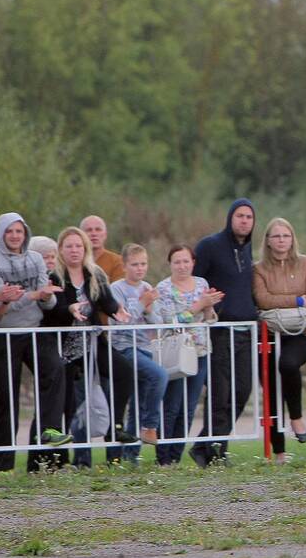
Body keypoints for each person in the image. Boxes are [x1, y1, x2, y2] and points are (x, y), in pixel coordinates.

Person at [43, 226, 131, 468]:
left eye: (78, 246)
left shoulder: (95, 274)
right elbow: (52, 311)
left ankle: (116, 428)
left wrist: (117, 311)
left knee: (124, 372)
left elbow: (107, 301)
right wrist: (69, 308)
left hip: (92, 343)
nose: (74, 250)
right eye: (69, 246)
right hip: (64, 348)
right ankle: (55, 461)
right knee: (67, 403)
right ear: (61, 250)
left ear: (85, 249)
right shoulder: (54, 277)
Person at [0, 213, 70, 471]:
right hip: (4, 335)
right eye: (10, 232)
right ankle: (2, 464)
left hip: (34, 330)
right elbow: (3, 307)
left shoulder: (36, 258)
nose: (15, 236)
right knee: (7, 398)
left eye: (19, 231)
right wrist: (30, 295)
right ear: (2, 234)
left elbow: (46, 301)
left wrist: (45, 296)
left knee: (55, 369)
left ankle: (48, 433)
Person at [189, 199, 256, 467]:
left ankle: (205, 444)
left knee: (242, 392)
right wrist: (205, 303)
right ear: (230, 218)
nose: (244, 221)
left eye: (249, 217)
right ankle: (215, 451)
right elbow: (194, 281)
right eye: (240, 216)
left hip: (245, 332)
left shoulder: (249, 250)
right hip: (219, 330)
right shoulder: (210, 246)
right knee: (220, 394)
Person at [253, 217, 306, 461]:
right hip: (269, 334)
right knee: (270, 389)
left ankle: (296, 417)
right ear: (268, 241)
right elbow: (263, 300)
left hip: (298, 332)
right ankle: (279, 451)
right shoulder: (259, 269)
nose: (281, 240)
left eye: (286, 235)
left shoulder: (305, 263)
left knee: (288, 365)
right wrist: (297, 300)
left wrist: (284, 299)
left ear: (292, 239)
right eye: (276, 236)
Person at [154, 245, 222, 466]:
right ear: (170, 264)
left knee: (189, 407)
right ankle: (163, 456)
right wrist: (197, 306)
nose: (182, 266)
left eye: (186, 261)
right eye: (177, 262)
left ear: (193, 262)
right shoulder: (163, 288)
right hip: (175, 351)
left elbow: (209, 318)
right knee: (171, 406)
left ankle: (176, 455)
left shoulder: (201, 283)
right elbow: (169, 319)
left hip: (200, 350)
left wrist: (209, 307)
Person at [109, 244, 169, 460]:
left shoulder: (147, 287)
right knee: (159, 375)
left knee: (139, 400)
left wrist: (150, 308)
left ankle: (129, 455)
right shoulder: (116, 289)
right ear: (125, 266)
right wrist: (141, 303)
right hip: (124, 348)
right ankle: (150, 426)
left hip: (144, 347)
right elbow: (120, 320)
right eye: (134, 264)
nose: (139, 268)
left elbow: (158, 322)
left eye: (143, 264)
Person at [80, 216, 124, 283]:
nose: (94, 234)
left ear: (105, 234)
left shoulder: (117, 261)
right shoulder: (74, 261)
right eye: (89, 230)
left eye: (98, 230)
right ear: (80, 235)